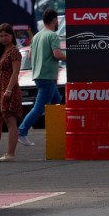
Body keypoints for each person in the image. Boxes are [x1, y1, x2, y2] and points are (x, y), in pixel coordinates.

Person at [17, 8, 65, 146]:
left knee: (57, 101)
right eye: (57, 21)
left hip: (38, 75)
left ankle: (60, 129)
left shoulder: (37, 36)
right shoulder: (52, 36)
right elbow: (57, 54)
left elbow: (31, 56)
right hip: (48, 76)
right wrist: (69, 59)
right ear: (55, 20)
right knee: (39, 107)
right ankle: (22, 131)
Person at [0, 23, 23, 161]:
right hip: (0, 90)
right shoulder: (1, 51)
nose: (4, 38)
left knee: (10, 122)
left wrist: (9, 90)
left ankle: (11, 153)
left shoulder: (14, 51)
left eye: (6, 35)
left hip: (9, 90)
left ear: (12, 36)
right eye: (1, 35)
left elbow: (16, 72)